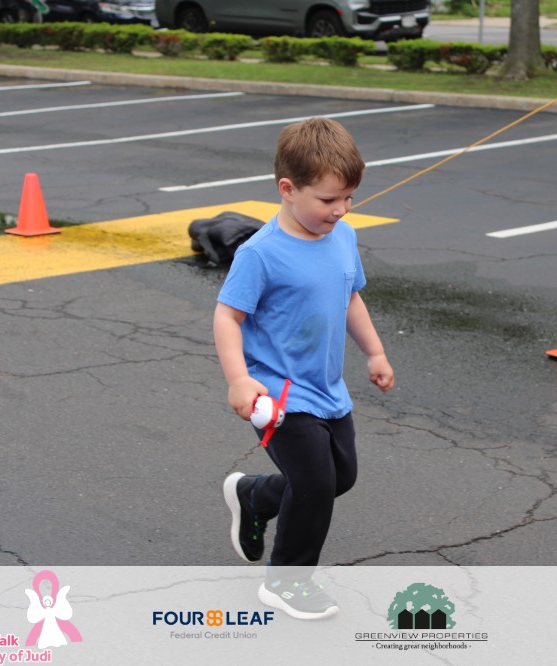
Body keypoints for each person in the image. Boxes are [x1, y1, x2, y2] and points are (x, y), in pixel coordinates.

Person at [214, 117, 395, 620]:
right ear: (288, 189)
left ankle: (254, 496)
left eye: (349, 198)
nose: (341, 210)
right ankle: (287, 581)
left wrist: (375, 352)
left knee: (340, 478)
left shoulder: (342, 236)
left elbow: (350, 297)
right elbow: (227, 316)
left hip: (327, 388)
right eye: (329, 199)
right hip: (278, 396)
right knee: (315, 485)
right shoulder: (261, 253)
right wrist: (238, 379)